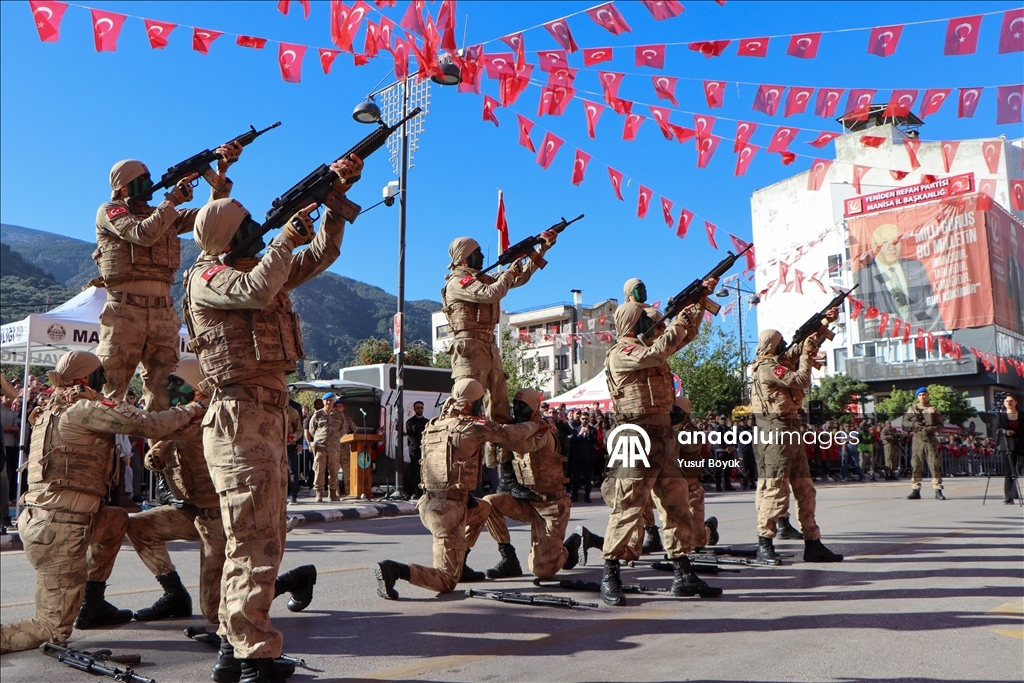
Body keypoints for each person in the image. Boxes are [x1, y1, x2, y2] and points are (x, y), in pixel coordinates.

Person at [183, 154, 362, 681]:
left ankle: (232, 651)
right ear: (226, 235)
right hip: (238, 416)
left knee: (264, 538)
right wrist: (284, 237)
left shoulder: (262, 269)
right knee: (252, 539)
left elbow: (322, 254)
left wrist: (333, 198)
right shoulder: (207, 276)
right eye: (248, 226)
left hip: (265, 417)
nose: (258, 231)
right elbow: (257, 290)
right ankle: (253, 657)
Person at [0, 351, 204, 655]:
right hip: (59, 528)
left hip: (59, 520)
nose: (104, 379)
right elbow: (147, 425)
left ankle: (92, 602)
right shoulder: (83, 409)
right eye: (99, 373)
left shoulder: (50, 408)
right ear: (84, 379)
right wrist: (193, 408)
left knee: (116, 519)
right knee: (52, 629)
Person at [126, 360, 313, 682]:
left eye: (177, 384)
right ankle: (174, 594)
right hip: (191, 511)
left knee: (215, 611)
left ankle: (290, 581)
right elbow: (156, 451)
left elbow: (153, 425)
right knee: (138, 526)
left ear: (199, 387)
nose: (171, 390)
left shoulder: (211, 414)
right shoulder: (187, 414)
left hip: (220, 519)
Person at [600, 287, 724, 607]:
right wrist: (677, 321)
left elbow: (681, 339)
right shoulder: (621, 352)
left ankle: (683, 573)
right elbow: (658, 351)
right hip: (636, 435)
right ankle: (611, 572)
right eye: (648, 321)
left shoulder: (652, 346)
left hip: (664, 435)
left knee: (677, 504)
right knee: (629, 505)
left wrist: (693, 309)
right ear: (632, 324)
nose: (654, 326)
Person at [94, 143, 241, 410]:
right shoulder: (110, 211)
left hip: (163, 311)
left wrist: (220, 172)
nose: (151, 184)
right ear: (124, 186)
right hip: (125, 310)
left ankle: (160, 450)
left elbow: (210, 219)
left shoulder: (164, 214)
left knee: (163, 393)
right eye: (143, 180)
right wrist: (171, 200)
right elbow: (142, 235)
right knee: (112, 391)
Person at [374, 379, 540, 599]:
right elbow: (510, 435)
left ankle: (461, 562)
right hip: (447, 511)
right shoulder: (472, 427)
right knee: (447, 580)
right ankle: (396, 570)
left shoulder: (434, 423)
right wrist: (536, 424)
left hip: (429, 503)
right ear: (472, 403)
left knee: (483, 508)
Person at [441, 230, 557, 472]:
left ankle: (502, 471)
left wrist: (542, 249)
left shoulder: (481, 278)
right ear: (464, 258)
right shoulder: (457, 282)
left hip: (489, 348)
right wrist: (507, 273)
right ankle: (461, 471)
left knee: (500, 413)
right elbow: (492, 293)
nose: (482, 256)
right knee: (467, 411)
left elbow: (518, 278)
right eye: (477, 253)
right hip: (469, 349)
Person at [749, 324, 844, 565]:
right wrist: (804, 358)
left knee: (805, 489)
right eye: (780, 342)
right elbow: (801, 380)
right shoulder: (767, 367)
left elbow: (799, 348)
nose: (785, 347)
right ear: (772, 344)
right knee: (775, 490)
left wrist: (819, 330)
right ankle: (765, 542)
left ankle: (813, 542)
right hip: (776, 431)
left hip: (790, 428)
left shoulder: (776, 362)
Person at [854, 222, 943, 341]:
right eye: (886, 242)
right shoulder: (863, 275)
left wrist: (933, 333)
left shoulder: (915, 267)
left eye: (896, 241)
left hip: (922, 337)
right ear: (875, 247)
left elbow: (930, 304)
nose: (892, 247)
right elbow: (861, 312)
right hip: (885, 340)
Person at [309, 393, 353, 502]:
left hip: (334, 448)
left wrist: (334, 438)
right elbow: (312, 429)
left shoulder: (339, 415)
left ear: (333, 401)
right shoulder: (318, 415)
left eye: (331, 400)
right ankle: (319, 493)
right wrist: (320, 438)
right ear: (323, 402)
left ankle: (333, 493)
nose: (329, 402)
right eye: (327, 400)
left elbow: (342, 429)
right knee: (319, 470)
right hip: (320, 446)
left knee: (333, 471)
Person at [904, 388, 945, 500]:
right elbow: (905, 422)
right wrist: (914, 423)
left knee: (934, 464)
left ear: (928, 395)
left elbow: (941, 425)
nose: (922, 397)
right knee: (916, 464)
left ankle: (938, 489)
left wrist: (930, 429)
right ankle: (915, 489)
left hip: (930, 439)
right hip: (917, 439)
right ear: (917, 397)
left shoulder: (933, 409)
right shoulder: (913, 408)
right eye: (920, 395)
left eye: (924, 394)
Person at [404, 401, 429, 499]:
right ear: (414, 409)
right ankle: (414, 491)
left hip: (425, 449)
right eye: (417, 408)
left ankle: (423, 491)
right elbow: (411, 437)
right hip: (415, 449)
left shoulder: (427, 422)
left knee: (425, 471)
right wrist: (419, 444)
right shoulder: (410, 422)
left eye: (421, 407)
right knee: (415, 470)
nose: (419, 409)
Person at [287, 399, 304, 504]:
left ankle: (293, 495)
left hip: (289, 445)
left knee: (292, 470)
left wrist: (296, 439)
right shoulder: (270, 407)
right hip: (274, 446)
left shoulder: (293, 409)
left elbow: (299, 428)